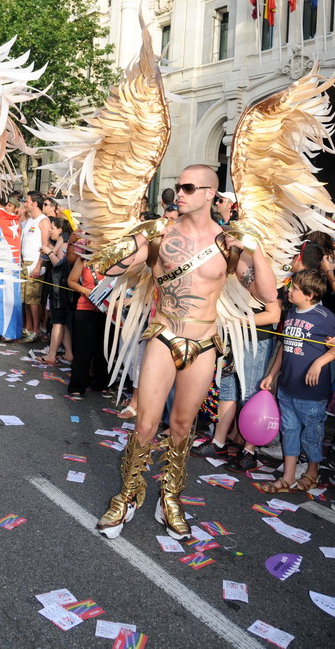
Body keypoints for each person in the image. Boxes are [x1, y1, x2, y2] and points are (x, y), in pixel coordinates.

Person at [96, 164, 277, 540]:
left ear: (210, 194)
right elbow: (110, 269)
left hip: (205, 342)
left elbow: (268, 297)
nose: (180, 193)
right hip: (164, 334)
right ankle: (128, 494)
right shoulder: (162, 234)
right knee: (146, 423)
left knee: (182, 427)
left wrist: (255, 247)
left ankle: (171, 498)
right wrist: (129, 242)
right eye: (178, 186)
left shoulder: (228, 243)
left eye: (190, 187)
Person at [260, 269, 335, 492]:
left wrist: (319, 362)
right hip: (287, 387)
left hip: (311, 393)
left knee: (312, 435)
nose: (289, 291)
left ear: (310, 294)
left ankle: (313, 470)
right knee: (289, 431)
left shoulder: (325, 318)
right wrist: (272, 375)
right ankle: (288, 476)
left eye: (294, 289)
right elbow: (284, 347)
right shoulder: (291, 313)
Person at [191, 300, 280, 466]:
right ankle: (218, 443)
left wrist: (235, 321)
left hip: (255, 340)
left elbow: (274, 315)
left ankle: (249, 451)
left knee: (250, 395)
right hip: (231, 337)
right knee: (227, 390)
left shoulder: (271, 277)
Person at [67, 253, 111, 397]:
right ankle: (77, 385)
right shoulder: (82, 259)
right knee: (83, 349)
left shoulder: (118, 259)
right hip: (86, 308)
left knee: (105, 349)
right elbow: (71, 281)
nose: (91, 241)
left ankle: (101, 383)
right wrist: (86, 291)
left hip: (109, 311)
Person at [36, 217, 74, 365]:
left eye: (52, 227)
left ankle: (51, 355)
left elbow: (60, 265)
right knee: (62, 322)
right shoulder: (61, 243)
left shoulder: (64, 244)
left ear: (60, 230)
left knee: (57, 321)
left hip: (60, 289)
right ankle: (69, 353)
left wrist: (49, 252)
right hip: (58, 288)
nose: (50, 230)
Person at [0, 189, 22, 342]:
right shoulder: (14, 217)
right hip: (14, 260)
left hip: (3, 261)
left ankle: (4, 332)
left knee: (2, 297)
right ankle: (13, 331)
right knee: (13, 296)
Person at [20, 192, 51, 342]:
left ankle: (36, 330)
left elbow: (45, 246)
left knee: (34, 299)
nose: (24, 204)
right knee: (25, 298)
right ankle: (27, 327)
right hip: (24, 263)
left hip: (35, 264)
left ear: (34, 204)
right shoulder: (29, 220)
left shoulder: (43, 221)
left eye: (26, 201)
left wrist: (39, 266)